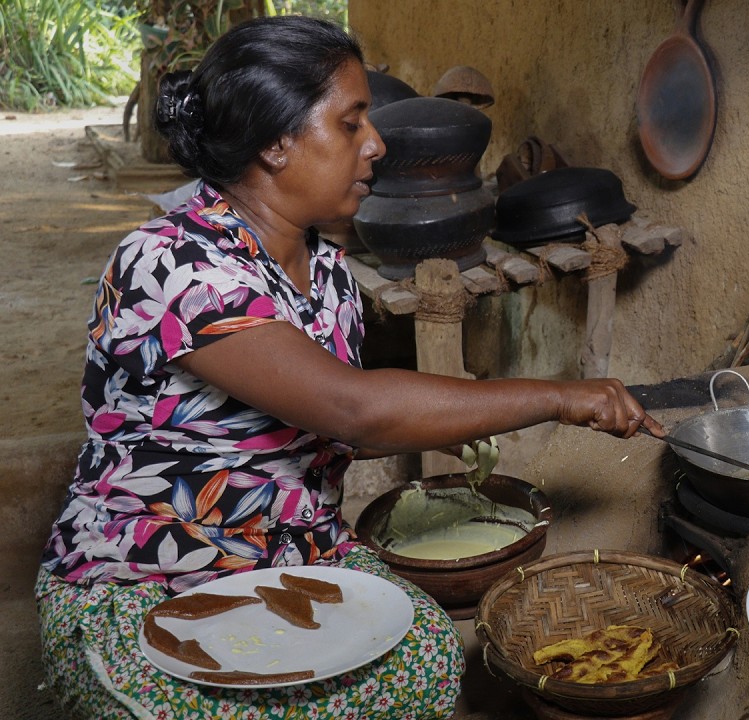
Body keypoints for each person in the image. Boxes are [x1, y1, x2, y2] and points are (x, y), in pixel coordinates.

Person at [36, 15, 662, 720]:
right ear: (276, 142)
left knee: (426, 658)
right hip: (147, 577)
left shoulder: (329, 276)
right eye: (351, 123)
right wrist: (556, 396)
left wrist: (451, 422)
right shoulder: (171, 262)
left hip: (296, 564)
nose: (377, 145)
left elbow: (333, 427)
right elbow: (350, 406)